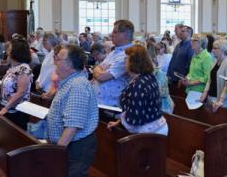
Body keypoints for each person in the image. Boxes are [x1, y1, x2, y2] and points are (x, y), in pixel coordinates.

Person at [47, 44, 98, 176]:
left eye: (57, 59)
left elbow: (72, 125)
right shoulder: (69, 82)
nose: (55, 63)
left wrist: (57, 152)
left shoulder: (77, 85)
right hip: (69, 145)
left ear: (69, 64)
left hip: (76, 146)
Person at [107, 45, 168, 135]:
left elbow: (134, 121)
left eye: (126, 59)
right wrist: (119, 123)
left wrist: (122, 121)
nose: (125, 63)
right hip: (158, 127)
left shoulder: (138, 85)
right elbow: (139, 110)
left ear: (134, 62)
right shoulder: (149, 76)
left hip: (149, 133)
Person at [93, 20, 134, 106]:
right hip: (100, 103)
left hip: (112, 107)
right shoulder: (113, 52)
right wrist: (99, 69)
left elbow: (101, 77)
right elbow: (97, 67)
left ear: (125, 34)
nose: (111, 34)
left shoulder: (128, 54)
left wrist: (100, 70)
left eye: (115, 32)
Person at [0, 36, 33, 130]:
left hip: (16, 111)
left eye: (9, 49)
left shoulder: (24, 68)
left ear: (16, 51)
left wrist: (6, 108)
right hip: (7, 107)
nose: (7, 52)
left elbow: (21, 92)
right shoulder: (13, 67)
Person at [200, 38, 227, 111]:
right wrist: (204, 94)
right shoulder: (215, 61)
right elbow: (209, 80)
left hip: (222, 100)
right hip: (211, 96)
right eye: (213, 48)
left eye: (215, 48)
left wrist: (221, 100)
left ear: (223, 49)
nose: (212, 50)